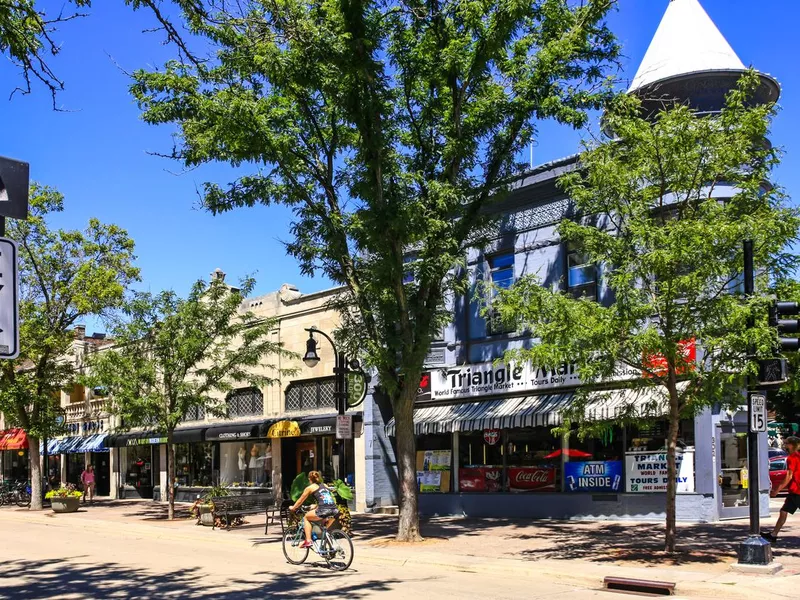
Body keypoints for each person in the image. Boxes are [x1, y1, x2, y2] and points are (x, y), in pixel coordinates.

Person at [763, 436, 800, 543]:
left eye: (786, 443)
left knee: (783, 511)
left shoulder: (792, 458)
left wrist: (777, 490)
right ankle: (773, 534)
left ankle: (774, 534)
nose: (785, 445)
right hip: (795, 491)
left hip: (797, 490)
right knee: (783, 511)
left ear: (791, 445)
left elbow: (789, 475)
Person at [289, 471, 339, 549]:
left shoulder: (310, 488)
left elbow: (300, 500)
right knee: (324, 528)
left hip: (324, 510)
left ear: (309, 479)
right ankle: (329, 548)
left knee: (306, 517)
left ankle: (308, 540)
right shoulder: (324, 485)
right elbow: (326, 499)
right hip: (335, 511)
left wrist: (293, 508)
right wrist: (316, 505)